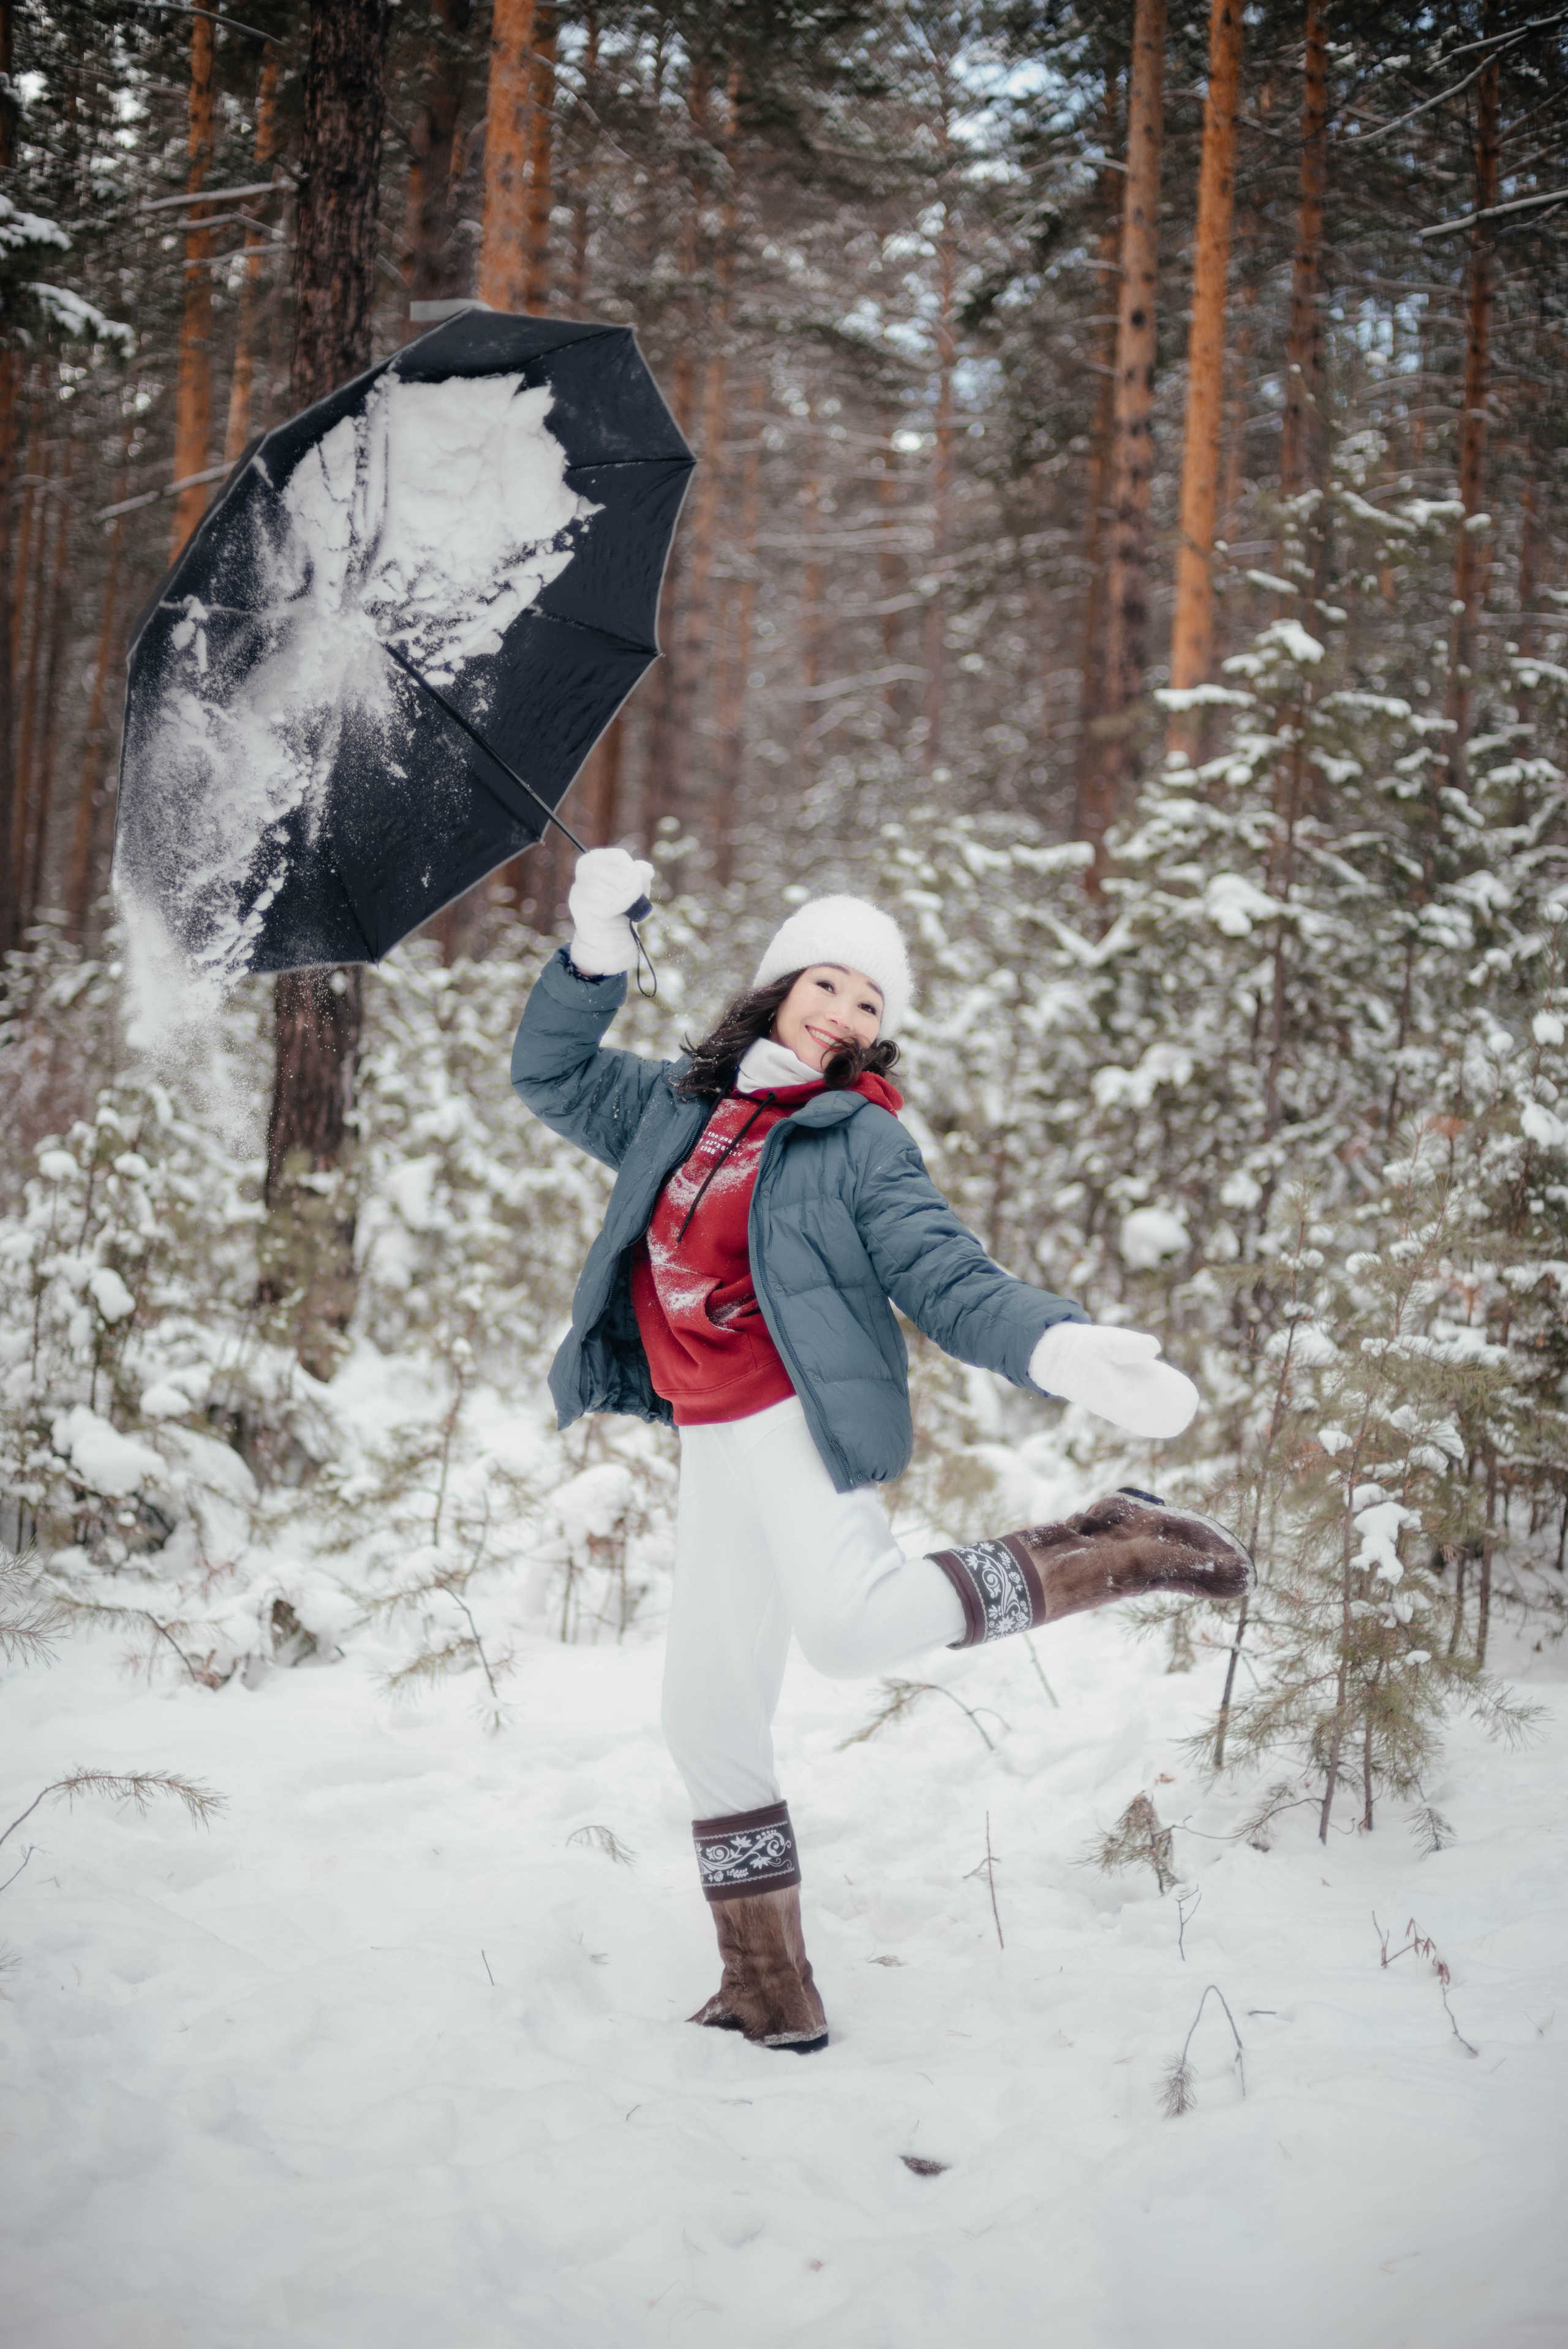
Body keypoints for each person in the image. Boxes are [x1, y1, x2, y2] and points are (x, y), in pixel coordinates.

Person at [511, 848, 1252, 2054]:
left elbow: (942, 1273)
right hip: (707, 1439)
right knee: (705, 1715)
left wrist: (1054, 1346)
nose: (846, 1012)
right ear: (777, 985)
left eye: (871, 1003)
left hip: (788, 1419)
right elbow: (545, 1071)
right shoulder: (674, 1104)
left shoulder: (855, 1139)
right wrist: (595, 947)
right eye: (829, 982)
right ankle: (765, 1986)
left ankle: (1106, 1542)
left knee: (850, 1627)